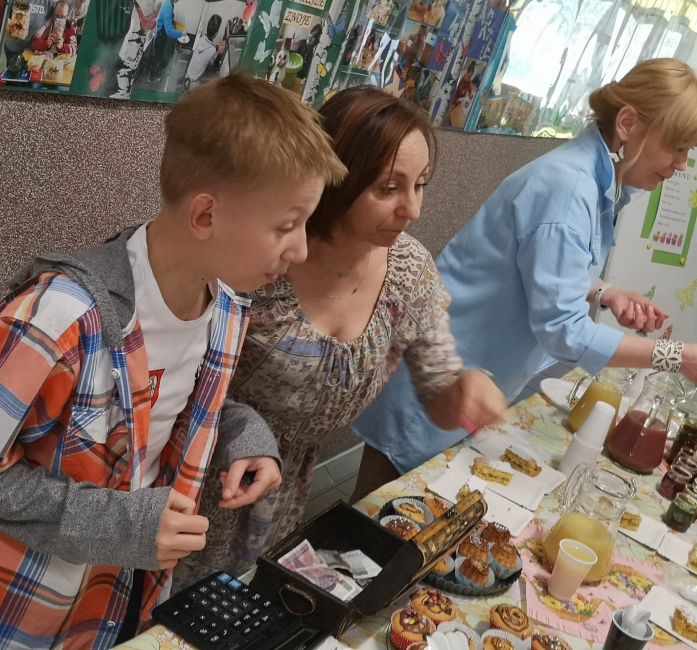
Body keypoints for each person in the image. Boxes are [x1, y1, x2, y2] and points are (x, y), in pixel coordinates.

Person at [0, 71, 346, 650]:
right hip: (15, 625)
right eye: (286, 226)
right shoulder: (63, 316)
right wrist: (126, 524)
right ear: (206, 214)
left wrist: (245, 436)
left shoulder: (226, 310)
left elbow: (172, 405)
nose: (301, 250)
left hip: (118, 606)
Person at [351, 58, 697, 492]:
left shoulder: (595, 183)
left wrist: (604, 292)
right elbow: (564, 330)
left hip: (470, 384)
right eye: (677, 147)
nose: (682, 165)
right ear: (628, 124)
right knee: (377, 512)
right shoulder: (568, 188)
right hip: (438, 381)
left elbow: (544, 266)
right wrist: (680, 357)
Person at [172, 86, 507, 588]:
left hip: (282, 497)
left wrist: (464, 390)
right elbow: (176, 376)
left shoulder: (408, 272)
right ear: (337, 180)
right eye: (388, 188)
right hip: (198, 478)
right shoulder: (262, 258)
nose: (412, 209)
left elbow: (439, 395)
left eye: (420, 185)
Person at [3, 0, 57, 65]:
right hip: (13, 45)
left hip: (32, 49)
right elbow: (4, 12)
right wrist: (11, 26)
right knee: (12, 69)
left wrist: (43, 27)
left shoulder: (49, 2)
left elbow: (53, 15)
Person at [147, 0, 187, 83]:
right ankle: (152, 76)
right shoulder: (168, 6)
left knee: (159, 55)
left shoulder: (169, 3)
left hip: (162, 34)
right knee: (158, 56)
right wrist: (182, 33)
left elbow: (166, 18)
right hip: (161, 35)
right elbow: (169, 32)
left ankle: (154, 73)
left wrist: (173, 22)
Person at [184, 13, 224, 90]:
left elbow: (205, 52)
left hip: (187, 78)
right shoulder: (212, 50)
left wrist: (215, 47)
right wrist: (219, 54)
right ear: (216, 33)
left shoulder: (201, 39)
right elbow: (212, 67)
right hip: (194, 85)